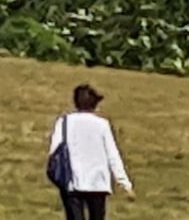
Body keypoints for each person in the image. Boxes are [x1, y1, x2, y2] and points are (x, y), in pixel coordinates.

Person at [46, 83, 136, 220]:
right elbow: (113, 155)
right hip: (98, 183)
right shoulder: (102, 124)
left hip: (72, 181)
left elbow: (54, 151)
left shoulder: (64, 122)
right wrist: (125, 184)